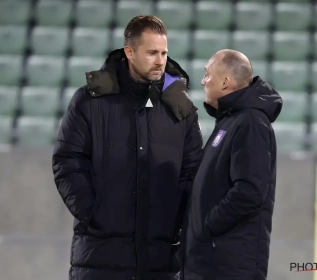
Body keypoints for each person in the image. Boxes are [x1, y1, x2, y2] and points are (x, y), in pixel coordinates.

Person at [52, 15, 203, 280]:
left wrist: (176, 218)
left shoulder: (180, 106)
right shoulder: (89, 100)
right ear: (130, 52)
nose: (160, 61)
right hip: (100, 256)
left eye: (164, 53)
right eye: (152, 53)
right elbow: (67, 160)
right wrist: (92, 212)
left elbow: (192, 169)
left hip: (160, 258)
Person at [180, 49, 283, 280]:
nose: (203, 81)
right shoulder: (231, 121)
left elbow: (249, 191)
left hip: (228, 265)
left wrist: (207, 228)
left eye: (207, 74)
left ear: (226, 81)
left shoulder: (251, 123)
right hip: (211, 261)